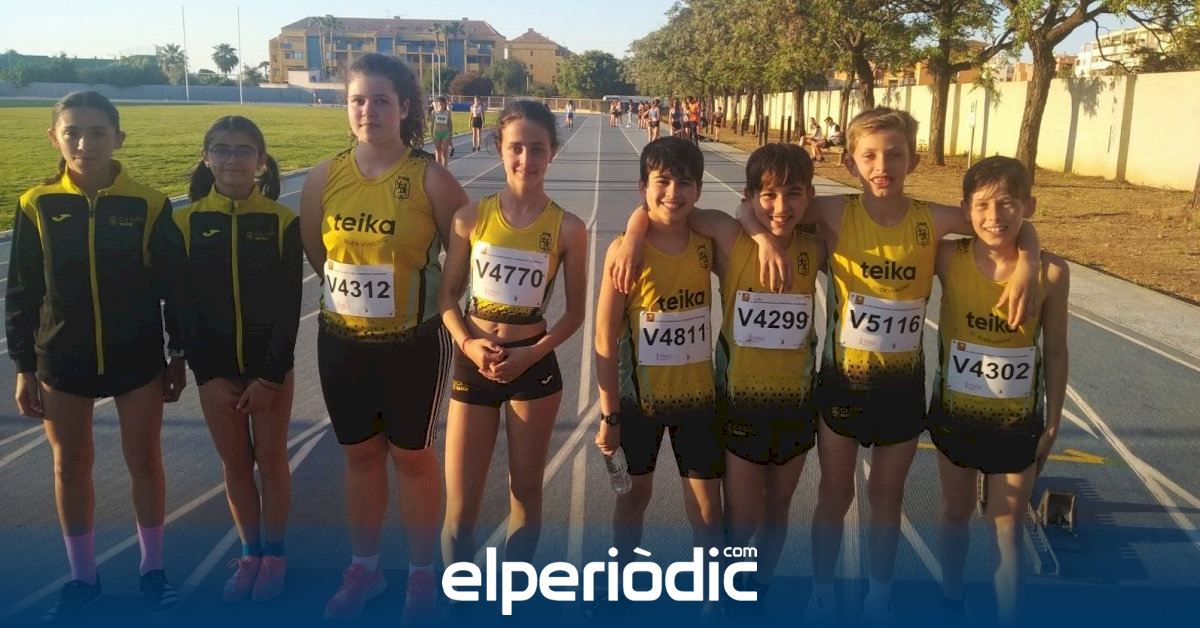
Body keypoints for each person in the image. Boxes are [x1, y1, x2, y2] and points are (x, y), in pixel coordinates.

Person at [736, 107, 1043, 625]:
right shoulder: (833, 212)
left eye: (895, 155)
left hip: (901, 393)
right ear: (850, 162)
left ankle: (879, 598)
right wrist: (765, 241)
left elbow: (1008, 222)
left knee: (886, 499)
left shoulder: (935, 219)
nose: (883, 166)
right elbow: (749, 208)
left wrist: (1028, 263)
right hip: (842, 387)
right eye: (870, 156)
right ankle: (822, 593)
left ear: (913, 160)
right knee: (834, 495)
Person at [612, 144, 825, 608]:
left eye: (793, 194)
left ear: (808, 196)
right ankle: (723, 592)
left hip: (796, 402)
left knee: (778, 507)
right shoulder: (730, 238)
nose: (781, 207)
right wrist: (631, 234)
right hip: (738, 402)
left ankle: (757, 589)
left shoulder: (815, 243)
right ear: (748, 196)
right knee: (740, 518)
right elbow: (671, 210)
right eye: (768, 196)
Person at [298, 53, 468, 623]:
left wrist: (437, 303)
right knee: (360, 457)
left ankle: (421, 574)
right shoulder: (323, 177)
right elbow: (317, 252)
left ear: (405, 108)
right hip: (341, 341)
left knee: (413, 459)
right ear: (346, 107)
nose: (368, 110)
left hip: (412, 344)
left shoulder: (432, 178)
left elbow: (463, 255)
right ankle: (365, 568)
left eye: (381, 100)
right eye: (358, 100)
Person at [7, 91, 188, 621]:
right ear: (54, 138)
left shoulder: (149, 204)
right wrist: (23, 366)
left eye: (98, 133)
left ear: (119, 138)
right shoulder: (35, 204)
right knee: (70, 464)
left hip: (136, 357)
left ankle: (153, 570)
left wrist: (177, 353)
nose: (85, 144)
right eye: (73, 133)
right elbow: (22, 292)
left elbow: (174, 289)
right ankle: (82, 578)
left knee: (145, 459)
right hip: (62, 358)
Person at [437, 100, 588, 578]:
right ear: (499, 148)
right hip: (474, 361)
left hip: (533, 367)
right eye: (516, 148)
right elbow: (446, 298)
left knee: (525, 492)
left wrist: (528, 356)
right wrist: (468, 344)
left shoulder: (569, 228)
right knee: (461, 505)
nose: (526, 159)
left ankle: (514, 593)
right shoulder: (469, 218)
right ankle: (458, 596)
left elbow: (576, 313)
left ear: (553, 152)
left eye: (537, 149)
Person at [930, 156, 1068, 626]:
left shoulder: (1051, 273)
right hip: (955, 415)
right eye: (982, 205)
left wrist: (1054, 421)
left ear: (1029, 206)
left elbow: (1056, 352)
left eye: (1008, 204)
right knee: (955, 510)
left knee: (1007, 526)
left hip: (1017, 423)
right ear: (965, 209)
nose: (995, 216)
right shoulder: (947, 258)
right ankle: (950, 598)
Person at [170, 115, 302, 603]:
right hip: (215, 373)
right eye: (222, 150)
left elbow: (290, 305)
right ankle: (249, 553)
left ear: (261, 160)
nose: (233, 159)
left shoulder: (282, 221)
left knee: (272, 461)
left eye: (244, 150)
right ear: (206, 157)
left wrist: (270, 375)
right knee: (236, 465)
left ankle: (275, 556)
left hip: (271, 369)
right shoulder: (184, 222)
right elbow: (180, 306)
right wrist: (205, 374)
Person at [595, 137, 723, 620]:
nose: (673, 193)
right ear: (642, 187)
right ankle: (618, 585)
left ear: (699, 189)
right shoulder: (623, 253)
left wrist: (636, 224)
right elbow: (604, 339)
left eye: (684, 183)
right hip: (638, 405)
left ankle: (711, 597)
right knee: (633, 501)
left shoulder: (707, 243)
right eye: (662, 182)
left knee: (707, 510)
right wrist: (609, 415)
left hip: (698, 402)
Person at [431, 96, 453, 167]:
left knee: (444, 152)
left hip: (445, 133)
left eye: (442, 104)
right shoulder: (434, 112)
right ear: (437, 104)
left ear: (444, 104)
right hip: (437, 134)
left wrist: (450, 136)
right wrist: (432, 136)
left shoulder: (447, 113)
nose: (440, 106)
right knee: (438, 153)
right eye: (439, 104)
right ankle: (439, 169)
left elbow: (450, 125)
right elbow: (432, 125)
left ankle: (445, 169)